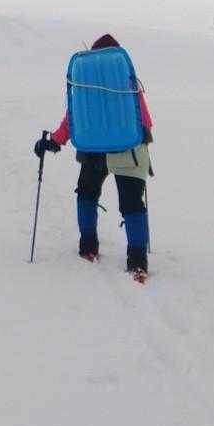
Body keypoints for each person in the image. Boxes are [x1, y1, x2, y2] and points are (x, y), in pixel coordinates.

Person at [33, 34, 154, 276]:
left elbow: (73, 118)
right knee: (132, 204)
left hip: (94, 151)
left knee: (86, 194)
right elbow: (145, 121)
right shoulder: (126, 81)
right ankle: (138, 261)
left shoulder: (86, 84)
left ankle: (88, 247)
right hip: (130, 151)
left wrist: (54, 141)